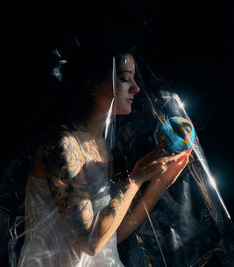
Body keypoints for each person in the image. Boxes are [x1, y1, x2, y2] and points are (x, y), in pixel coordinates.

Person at [17, 40, 191, 266]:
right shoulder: (62, 144)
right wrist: (137, 177)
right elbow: (90, 242)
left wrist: (160, 182)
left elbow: (112, 236)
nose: (136, 88)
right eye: (125, 78)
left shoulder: (101, 144)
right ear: (92, 85)